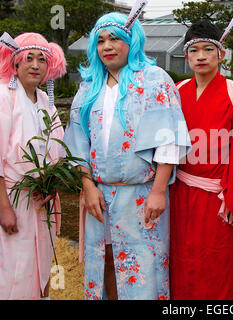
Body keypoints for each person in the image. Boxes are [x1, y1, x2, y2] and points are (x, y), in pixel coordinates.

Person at [63, 8, 190, 300]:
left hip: (142, 193)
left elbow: (168, 139)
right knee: (103, 260)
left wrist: (159, 190)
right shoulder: (88, 88)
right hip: (98, 194)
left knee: (144, 265)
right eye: (100, 40)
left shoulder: (154, 79)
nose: (107, 46)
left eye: (116, 38)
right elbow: (78, 144)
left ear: (132, 40)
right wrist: (87, 186)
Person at [169, 19, 233, 300]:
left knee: (216, 262)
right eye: (194, 50)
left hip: (218, 192)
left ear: (221, 54)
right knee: (181, 258)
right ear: (186, 56)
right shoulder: (176, 91)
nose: (201, 56)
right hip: (179, 192)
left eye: (208, 49)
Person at [0, 32, 66, 299]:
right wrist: (5, 207)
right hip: (12, 198)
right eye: (28, 58)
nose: (35, 65)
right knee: (10, 272)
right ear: (15, 62)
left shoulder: (46, 101)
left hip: (43, 200)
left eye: (41, 59)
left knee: (41, 266)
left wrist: (52, 186)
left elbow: (58, 153)